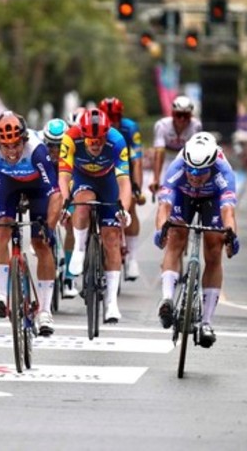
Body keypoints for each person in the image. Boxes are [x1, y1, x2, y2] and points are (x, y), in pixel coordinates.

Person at [0, 111, 61, 336]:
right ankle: (1, 295)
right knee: (2, 229)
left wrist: (49, 229)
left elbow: (55, 195)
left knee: (41, 243)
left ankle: (44, 310)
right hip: (8, 183)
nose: (11, 152)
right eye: (6, 146)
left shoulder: (38, 151)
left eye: (16, 145)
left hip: (37, 187)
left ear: (24, 139)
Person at [153, 131, 240, 348]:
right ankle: (167, 299)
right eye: (191, 171)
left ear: (211, 166)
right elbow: (164, 206)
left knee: (213, 247)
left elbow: (228, 211)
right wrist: (160, 229)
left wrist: (230, 235)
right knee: (175, 236)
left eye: (201, 173)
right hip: (183, 196)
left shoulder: (224, 173)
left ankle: (207, 322)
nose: (195, 176)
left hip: (213, 199)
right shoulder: (177, 168)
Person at [60, 108, 132, 323]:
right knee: (82, 202)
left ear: (106, 134)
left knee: (111, 237)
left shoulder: (117, 140)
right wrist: (66, 202)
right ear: (82, 134)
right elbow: (63, 176)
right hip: (82, 178)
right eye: (91, 139)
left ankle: (111, 303)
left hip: (108, 180)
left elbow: (124, 182)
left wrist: (124, 210)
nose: (95, 144)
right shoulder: (70, 138)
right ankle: (80, 249)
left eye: (99, 139)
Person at [99, 96, 145, 281]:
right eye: (108, 117)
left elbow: (137, 161)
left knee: (130, 204)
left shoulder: (129, 128)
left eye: (115, 117)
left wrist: (137, 189)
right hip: (102, 169)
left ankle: (132, 257)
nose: (112, 121)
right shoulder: (97, 128)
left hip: (124, 166)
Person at [41, 118, 79, 298]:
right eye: (51, 146)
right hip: (47, 186)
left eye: (59, 146)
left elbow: (76, 182)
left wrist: (69, 205)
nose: (55, 151)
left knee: (71, 223)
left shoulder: (74, 149)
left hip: (68, 184)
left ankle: (69, 276)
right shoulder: (38, 151)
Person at [149, 95, 202, 198]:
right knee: (164, 193)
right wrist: (156, 178)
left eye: (186, 116)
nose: (182, 119)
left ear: (191, 116)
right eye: (179, 115)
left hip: (185, 158)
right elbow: (159, 153)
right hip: (167, 158)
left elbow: (197, 152)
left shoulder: (196, 126)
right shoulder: (161, 125)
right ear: (173, 114)